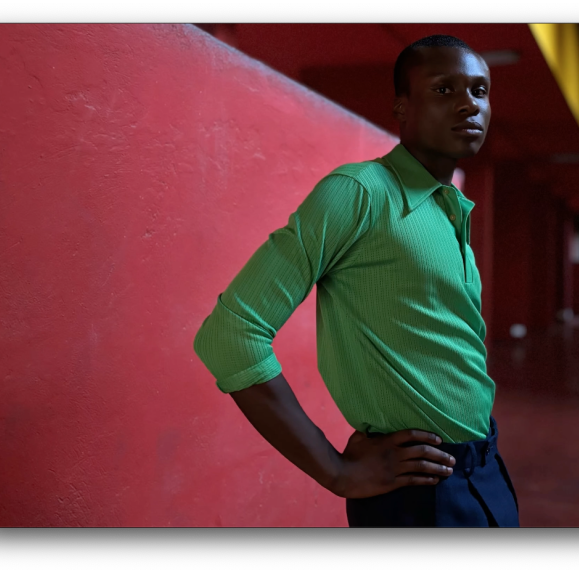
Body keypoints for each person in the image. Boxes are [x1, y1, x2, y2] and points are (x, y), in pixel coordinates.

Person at [194, 34, 518, 527]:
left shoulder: (448, 207)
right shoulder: (359, 192)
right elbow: (231, 335)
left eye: (479, 90)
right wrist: (335, 471)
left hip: (485, 469)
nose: (469, 104)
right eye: (444, 89)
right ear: (401, 106)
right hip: (416, 490)